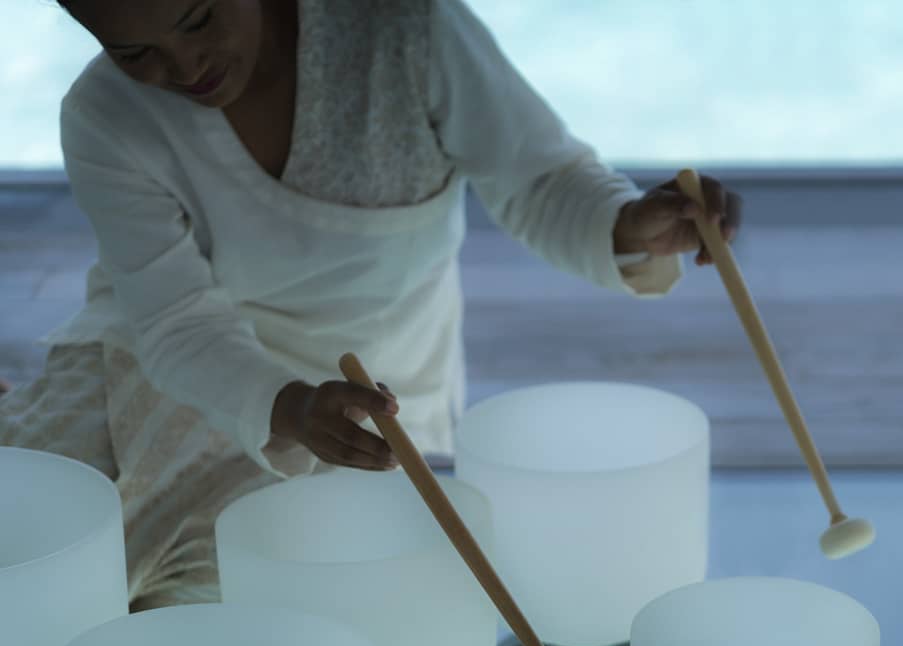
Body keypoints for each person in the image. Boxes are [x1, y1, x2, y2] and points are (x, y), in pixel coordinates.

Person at [0, 0, 740, 609]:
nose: (183, 67)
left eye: (197, 20)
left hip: (367, 416)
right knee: (34, 570)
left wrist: (626, 224)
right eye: (136, 53)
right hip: (165, 365)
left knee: (228, 630)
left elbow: (540, 180)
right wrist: (284, 406)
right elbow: (175, 322)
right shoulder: (105, 114)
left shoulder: (403, 29)